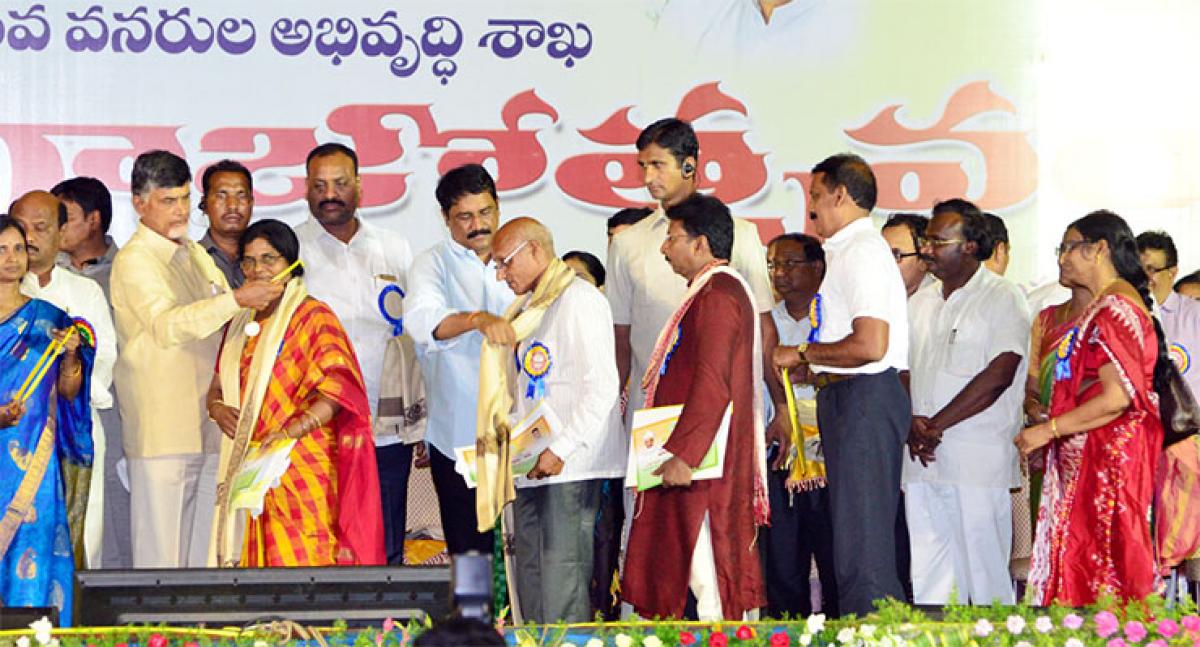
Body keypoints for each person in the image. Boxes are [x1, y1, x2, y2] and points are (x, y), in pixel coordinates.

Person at [111, 150, 282, 568]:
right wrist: (239, 298)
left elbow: (231, 316)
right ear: (139, 203)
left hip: (209, 425)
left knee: (202, 561)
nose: (181, 210)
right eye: (168, 201)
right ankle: (157, 637)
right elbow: (168, 326)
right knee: (160, 563)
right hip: (163, 433)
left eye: (186, 199)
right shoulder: (135, 260)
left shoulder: (192, 252)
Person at [772, 153, 910, 616]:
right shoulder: (846, 252)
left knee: (863, 542)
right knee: (853, 538)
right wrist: (819, 367)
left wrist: (803, 354)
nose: (811, 210)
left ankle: (873, 634)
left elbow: (871, 344)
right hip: (850, 397)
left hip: (865, 400)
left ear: (841, 195)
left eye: (815, 196)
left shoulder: (861, 251)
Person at [622, 193, 767, 621]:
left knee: (714, 582)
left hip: (707, 471)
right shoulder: (707, 292)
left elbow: (712, 384)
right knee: (698, 577)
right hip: (701, 459)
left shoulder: (718, 296)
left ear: (700, 243)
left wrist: (685, 454)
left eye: (672, 238)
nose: (665, 249)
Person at [207, 219, 384, 567]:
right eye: (249, 260)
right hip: (250, 465)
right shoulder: (239, 323)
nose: (258, 269)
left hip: (302, 460)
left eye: (268, 259)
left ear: (290, 265)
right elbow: (216, 384)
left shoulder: (314, 317)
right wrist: (216, 407)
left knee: (306, 560)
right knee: (256, 563)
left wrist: (289, 432)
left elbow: (337, 390)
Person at [1015, 210, 1169, 606]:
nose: (1062, 258)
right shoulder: (1107, 306)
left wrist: (1048, 430)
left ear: (1099, 249)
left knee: (1106, 573)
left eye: (1069, 247)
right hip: (1096, 459)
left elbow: (1116, 398)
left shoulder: (1114, 309)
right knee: (1092, 571)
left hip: (1109, 463)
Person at [607, 117, 777, 466]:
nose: (647, 178)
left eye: (657, 165)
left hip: (721, 411)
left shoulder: (739, 234)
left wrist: (782, 406)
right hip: (651, 413)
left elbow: (763, 327)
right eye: (642, 166)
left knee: (716, 518)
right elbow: (620, 340)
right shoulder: (628, 244)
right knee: (648, 517)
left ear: (689, 165)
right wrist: (609, 414)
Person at [475, 218, 620, 622]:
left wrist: (560, 448)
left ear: (535, 250)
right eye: (497, 268)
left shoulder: (580, 299)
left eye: (506, 264)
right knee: (531, 578)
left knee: (562, 577)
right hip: (530, 465)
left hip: (570, 465)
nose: (502, 276)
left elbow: (603, 388)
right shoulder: (526, 309)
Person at [903, 199, 1029, 605]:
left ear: (971, 245)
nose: (926, 249)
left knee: (986, 579)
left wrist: (935, 424)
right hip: (922, 461)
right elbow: (902, 370)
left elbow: (1000, 372)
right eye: (926, 240)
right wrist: (911, 422)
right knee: (929, 577)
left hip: (976, 461)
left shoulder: (1002, 297)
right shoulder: (919, 301)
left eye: (937, 241)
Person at [295, 143, 415, 565]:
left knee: (385, 534)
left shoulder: (394, 248)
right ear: (306, 190)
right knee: (325, 534)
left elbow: (410, 336)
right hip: (319, 424)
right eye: (319, 185)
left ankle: (387, 627)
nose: (330, 193)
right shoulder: (290, 251)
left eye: (341, 183)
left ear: (359, 188)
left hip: (386, 421)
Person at [406, 164, 515, 556]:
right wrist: (476, 320)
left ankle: (519, 620)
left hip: (522, 436)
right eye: (465, 217)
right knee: (468, 550)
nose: (478, 225)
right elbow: (420, 321)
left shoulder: (521, 257)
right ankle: (473, 618)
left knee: (523, 547)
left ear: (498, 207)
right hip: (458, 439)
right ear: (445, 219)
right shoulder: (431, 264)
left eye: (485, 212)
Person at [11, 191, 117, 569]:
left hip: (70, 431)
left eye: (41, 228)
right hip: (10, 434)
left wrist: (68, 369)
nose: (29, 237)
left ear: (61, 233)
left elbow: (104, 359)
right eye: (21, 227)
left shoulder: (83, 292)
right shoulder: (5, 296)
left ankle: (71, 621)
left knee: (79, 535)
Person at [0, 215, 93, 625]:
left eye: (19, 249)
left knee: (32, 552)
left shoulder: (50, 318)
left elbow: (69, 393)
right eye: (1, 249)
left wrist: (71, 355)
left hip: (32, 463)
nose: (12, 258)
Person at [760, 232, 837, 618]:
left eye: (790, 264)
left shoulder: (837, 315)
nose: (779, 273)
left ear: (817, 268)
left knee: (835, 561)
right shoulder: (762, 322)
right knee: (782, 567)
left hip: (832, 460)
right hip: (781, 458)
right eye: (773, 265)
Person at [1135, 230, 1200, 569]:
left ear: (1173, 272)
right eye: (1140, 268)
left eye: (1153, 269)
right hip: (1136, 441)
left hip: (1185, 439)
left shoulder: (1193, 315)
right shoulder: (1124, 314)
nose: (1146, 278)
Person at [50, 177, 118, 298]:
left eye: (66, 218)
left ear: (94, 219)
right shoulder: (45, 267)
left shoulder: (127, 268)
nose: (58, 226)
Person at [198, 160, 255, 289]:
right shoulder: (191, 260)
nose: (233, 206)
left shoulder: (266, 260)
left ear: (251, 202)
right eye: (221, 196)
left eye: (241, 195)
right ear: (204, 204)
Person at [881, 213, 933, 297]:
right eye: (881, 253)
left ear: (923, 261)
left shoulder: (938, 304)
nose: (883, 263)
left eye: (895, 255)